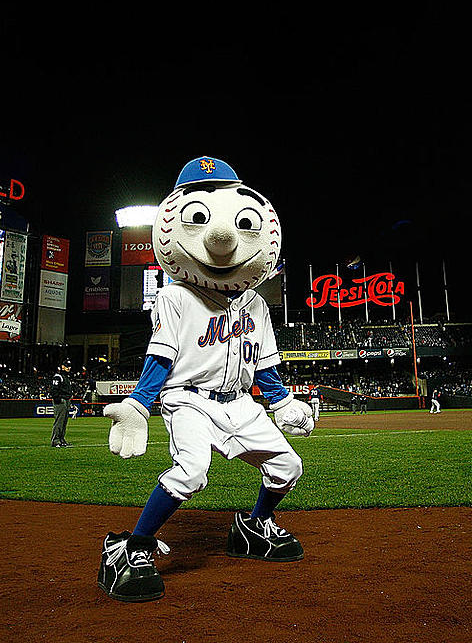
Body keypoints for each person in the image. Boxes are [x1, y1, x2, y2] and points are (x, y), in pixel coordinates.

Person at [99, 157, 314, 602]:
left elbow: (266, 365)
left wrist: (281, 401)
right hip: (190, 401)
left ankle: (253, 526)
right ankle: (131, 547)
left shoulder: (255, 303)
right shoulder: (176, 296)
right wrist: (139, 404)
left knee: (288, 467)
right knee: (193, 472)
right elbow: (161, 355)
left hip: (239, 402)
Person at [50, 359, 74, 447]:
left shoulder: (66, 377)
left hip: (66, 400)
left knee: (64, 422)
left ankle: (61, 439)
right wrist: (58, 399)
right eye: (67, 366)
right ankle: (55, 440)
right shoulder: (58, 376)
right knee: (59, 421)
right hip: (61, 400)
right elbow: (54, 389)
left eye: (69, 366)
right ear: (62, 366)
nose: (69, 368)